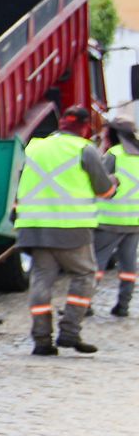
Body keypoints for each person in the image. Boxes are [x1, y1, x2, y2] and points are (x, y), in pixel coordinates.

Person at [15, 106, 117, 355]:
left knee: (41, 281)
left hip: (34, 226)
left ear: (61, 123)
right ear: (84, 126)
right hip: (71, 228)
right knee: (84, 276)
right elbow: (104, 191)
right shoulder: (84, 149)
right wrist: (113, 182)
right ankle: (70, 332)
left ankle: (41, 340)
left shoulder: (33, 147)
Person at [93, 113, 139, 317]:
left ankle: (82, 305)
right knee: (128, 265)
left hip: (110, 220)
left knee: (96, 265)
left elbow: (99, 181)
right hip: (135, 221)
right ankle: (123, 306)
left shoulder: (114, 154)